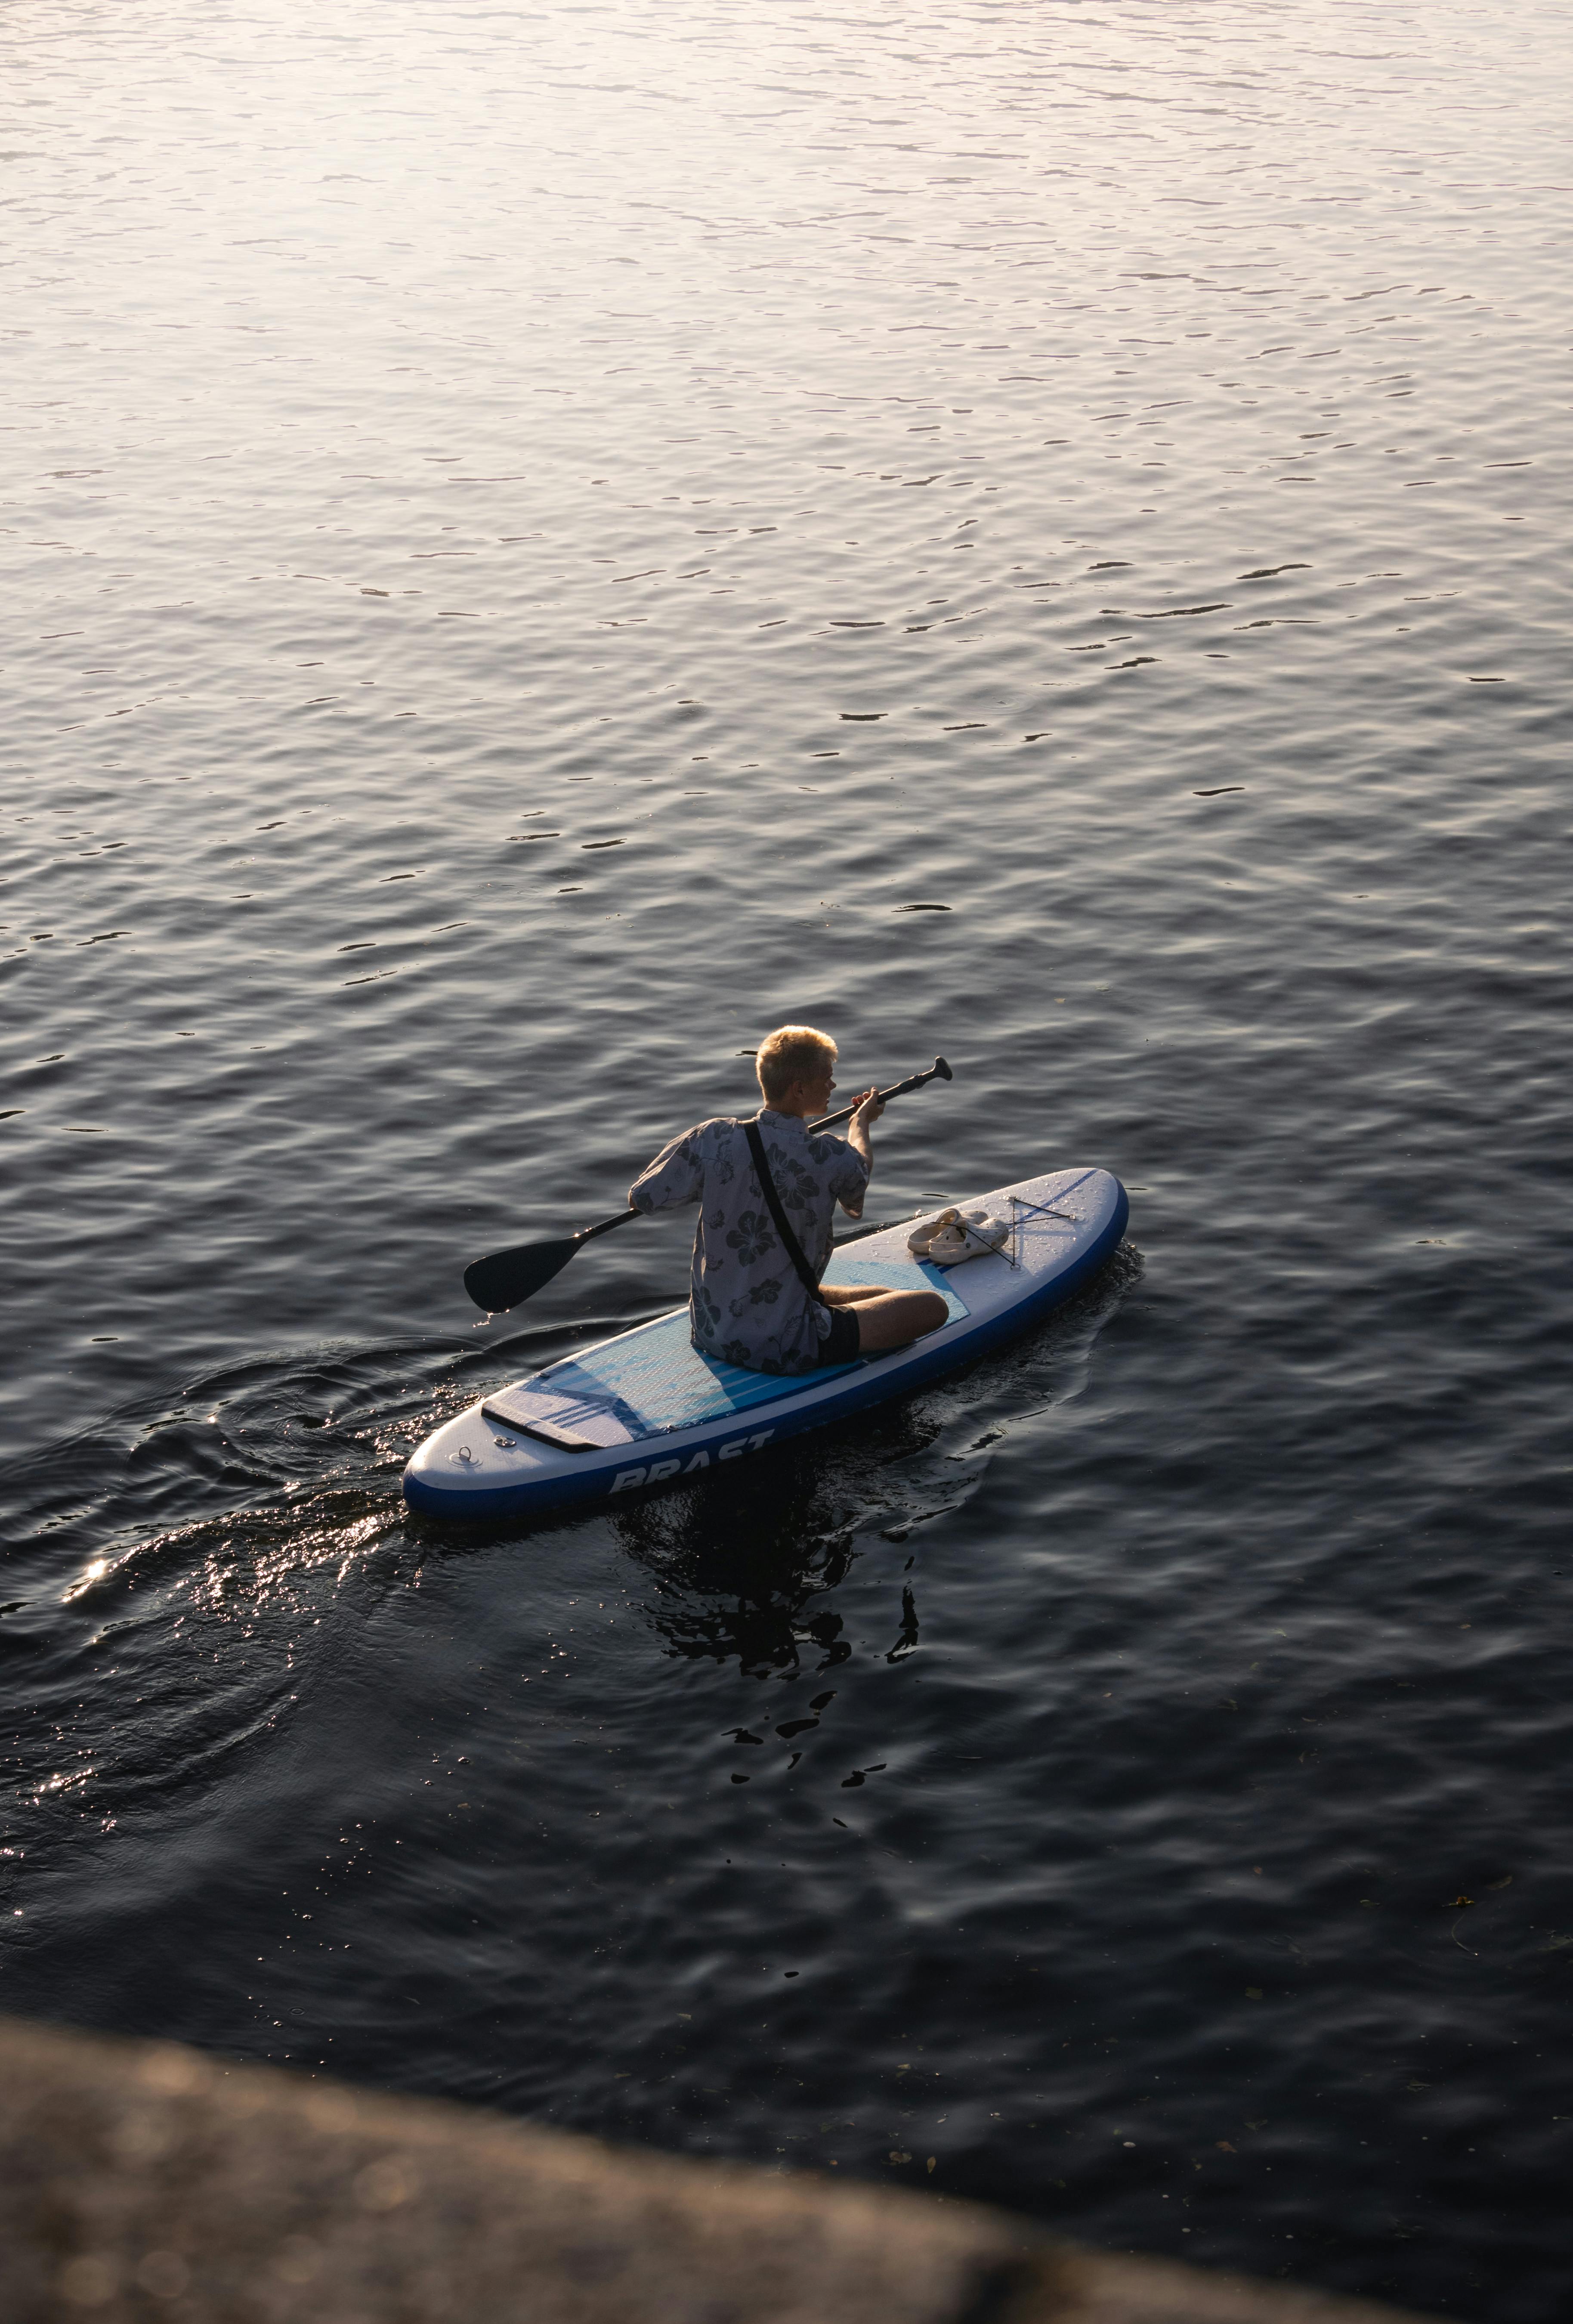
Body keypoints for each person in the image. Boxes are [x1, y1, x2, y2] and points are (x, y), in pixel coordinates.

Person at [628, 1025, 950, 1376]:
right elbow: (856, 1187)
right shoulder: (827, 1155)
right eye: (827, 1078)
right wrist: (861, 1124)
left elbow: (644, 1198)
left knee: (877, 1294)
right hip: (782, 1345)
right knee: (930, 1307)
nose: (833, 1086)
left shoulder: (713, 1137)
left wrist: (717, 1183)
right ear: (799, 1088)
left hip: (710, 1330)